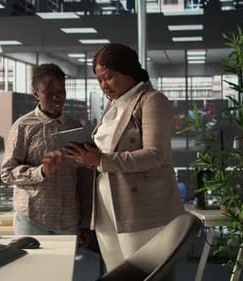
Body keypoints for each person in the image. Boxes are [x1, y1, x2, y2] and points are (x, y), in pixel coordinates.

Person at [65, 43, 184, 274]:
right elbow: (107, 150)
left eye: (108, 77)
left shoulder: (151, 100)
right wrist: (86, 154)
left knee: (143, 272)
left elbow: (155, 155)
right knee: (116, 272)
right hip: (106, 207)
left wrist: (100, 160)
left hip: (140, 209)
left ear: (128, 71)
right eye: (99, 80)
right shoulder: (114, 105)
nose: (103, 86)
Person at [0, 63, 92, 237]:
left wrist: (86, 221)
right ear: (36, 94)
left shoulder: (75, 127)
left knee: (66, 265)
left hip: (67, 221)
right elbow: (7, 173)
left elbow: (84, 179)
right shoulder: (23, 126)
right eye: (49, 94)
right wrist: (41, 171)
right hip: (32, 219)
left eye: (61, 93)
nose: (57, 98)